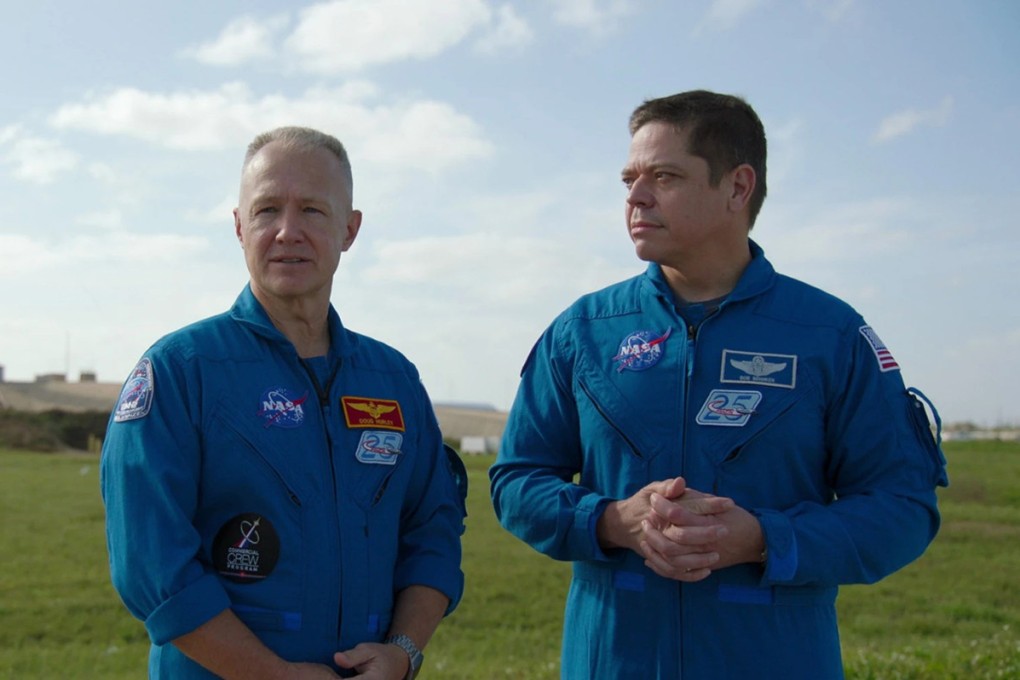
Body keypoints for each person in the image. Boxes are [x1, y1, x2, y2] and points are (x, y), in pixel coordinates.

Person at [489, 90, 948, 679]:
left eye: (665, 176)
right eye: (628, 179)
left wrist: (763, 538)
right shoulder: (584, 332)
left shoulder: (829, 334)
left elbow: (902, 507)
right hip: (615, 661)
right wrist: (612, 522)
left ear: (737, 187)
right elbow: (516, 480)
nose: (635, 197)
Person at [101, 126, 466, 679]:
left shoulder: (392, 380)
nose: (287, 231)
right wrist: (270, 675)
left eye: (313, 211)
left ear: (350, 229)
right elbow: (151, 565)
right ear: (239, 225)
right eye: (268, 208)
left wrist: (403, 651)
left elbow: (432, 530)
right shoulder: (181, 371)